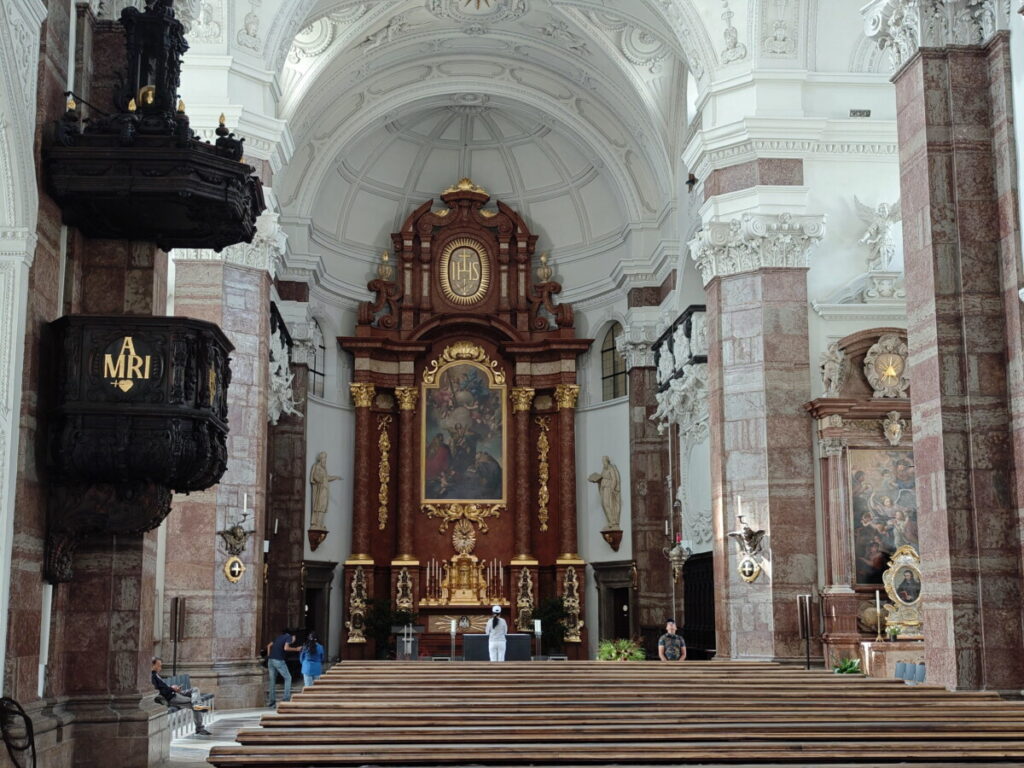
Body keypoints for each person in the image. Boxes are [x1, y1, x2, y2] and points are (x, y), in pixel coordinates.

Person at [151, 657, 210, 736]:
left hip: (174, 692)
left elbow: (164, 687)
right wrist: (172, 689)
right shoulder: (152, 677)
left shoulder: (156, 675)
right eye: (158, 666)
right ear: (152, 665)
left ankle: (197, 704)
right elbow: (159, 691)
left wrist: (172, 687)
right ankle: (199, 728)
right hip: (171, 697)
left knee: (195, 689)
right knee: (192, 703)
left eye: (161, 666)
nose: (160, 668)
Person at [266, 628, 300, 706]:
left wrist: (269, 656)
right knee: (288, 678)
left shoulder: (279, 637)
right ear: (293, 636)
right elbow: (286, 648)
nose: (294, 640)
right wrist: (296, 649)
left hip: (270, 660)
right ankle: (286, 698)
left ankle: (272, 701)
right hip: (278, 660)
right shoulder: (289, 637)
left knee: (272, 681)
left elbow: (268, 646)